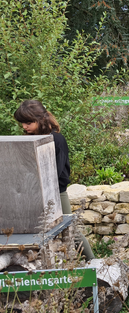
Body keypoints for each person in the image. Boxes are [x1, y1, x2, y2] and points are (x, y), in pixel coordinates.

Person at [14, 100, 95, 261]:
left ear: (41, 119)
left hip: (57, 192)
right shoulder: (28, 138)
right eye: (22, 123)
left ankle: (94, 263)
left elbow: (58, 173)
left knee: (70, 231)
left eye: (29, 122)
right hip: (33, 194)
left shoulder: (57, 140)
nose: (24, 127)